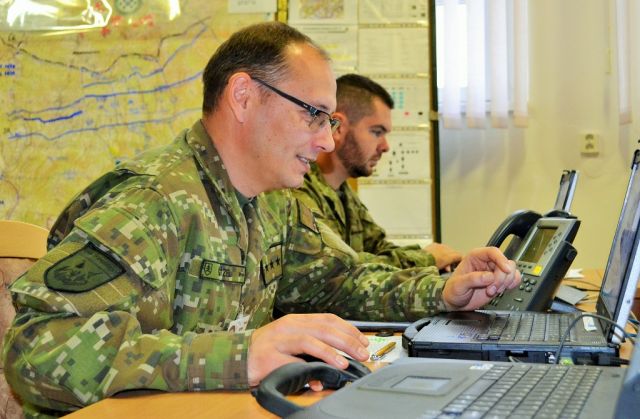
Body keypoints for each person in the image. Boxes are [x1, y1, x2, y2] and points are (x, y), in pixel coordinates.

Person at [2, 22, 520, 417]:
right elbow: (36, 351)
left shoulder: (274, 202)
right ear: (244, 96)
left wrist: (443, 292)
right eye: (313, 114)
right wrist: (241, 354)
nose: (326, 141)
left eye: (331, 121)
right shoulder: (151, 202)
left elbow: (341, 280)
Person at [293, 74, 462, 271]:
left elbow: (379, 248)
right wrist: (427, 259)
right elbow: (339, 269)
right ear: (338, 128)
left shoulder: (344, 194)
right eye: (376, 132)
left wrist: (436, 259)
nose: (385, 146)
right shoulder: (298, 188)